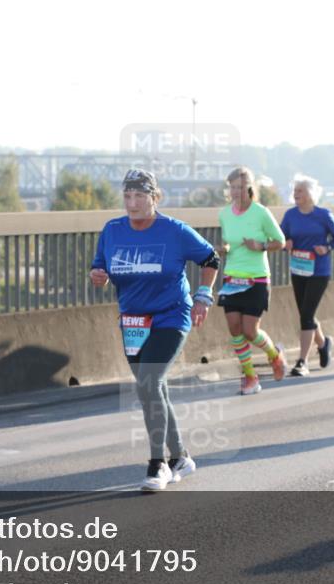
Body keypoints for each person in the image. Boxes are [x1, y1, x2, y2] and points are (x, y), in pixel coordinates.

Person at [90, 169, 219, 491]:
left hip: (171, 316)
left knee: (149, 381)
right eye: (127, 196)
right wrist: (99, 275)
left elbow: (211, 259)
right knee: (151, 388)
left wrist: (203, 296)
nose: (132, 203)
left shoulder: (174, 231)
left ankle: (157, 464)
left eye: (139, 196)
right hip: (133, 321)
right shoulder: (112, 230)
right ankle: (181, 458)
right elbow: (100, 265)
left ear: (154, 198)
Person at [217, 167, 288, 395]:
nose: (236, 192)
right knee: (234, 329)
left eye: (239, 187)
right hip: (232, 278)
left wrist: (262, 246)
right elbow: (230, 241)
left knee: (249, 331)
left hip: (256, 279)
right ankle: (250, 376)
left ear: (249, 187)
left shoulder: (261, 213)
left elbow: (281, 241)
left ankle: (274, 355)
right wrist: (225, 248)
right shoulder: (225, 214)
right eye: (232, 188)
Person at [280, 175, 334, 375]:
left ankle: (302, 361)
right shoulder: (290, 215)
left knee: (306, 315)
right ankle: (324, 344)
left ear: (310, 194)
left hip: (319, 271)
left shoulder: (323, 214)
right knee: (306, 314)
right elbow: (282, 237)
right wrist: (286, 244)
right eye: (295, 190)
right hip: (298, 269)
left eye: (300, 191)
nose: (295, 194)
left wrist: (327, 247)